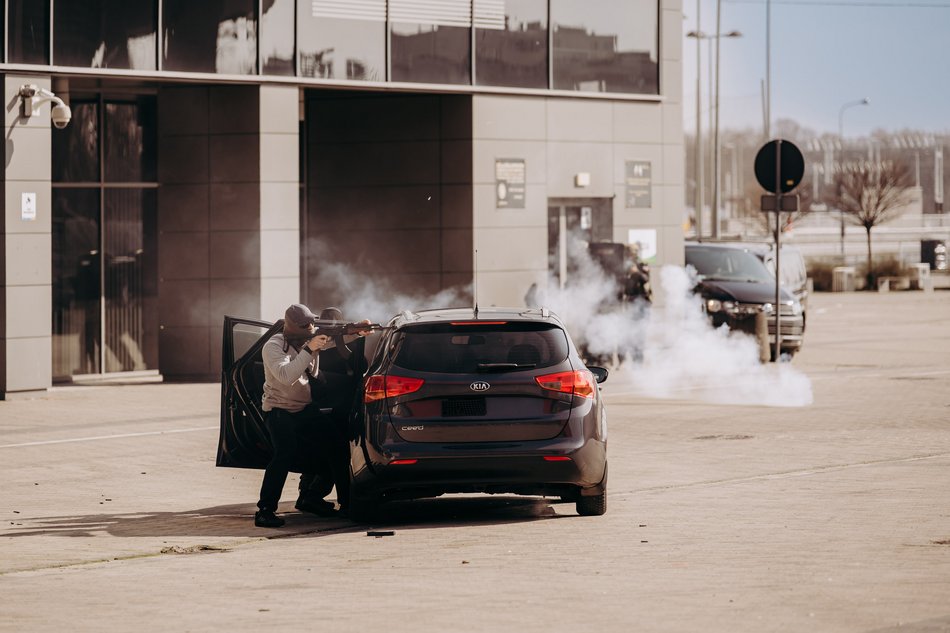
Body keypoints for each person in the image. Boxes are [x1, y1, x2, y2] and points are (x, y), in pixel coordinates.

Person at [254, 303, 369, 528]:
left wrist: (356, 331)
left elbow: (336, 339)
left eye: (312, 322)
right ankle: (265, 510)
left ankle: (336, 502)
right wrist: (310, 349)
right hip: (279, 410)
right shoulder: (273, 346)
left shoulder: (309, 339)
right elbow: (286, 375)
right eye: (306, 325)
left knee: (337, 446)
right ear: (293, 327)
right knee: (283, 455)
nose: (312, 327)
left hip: (304, 409)